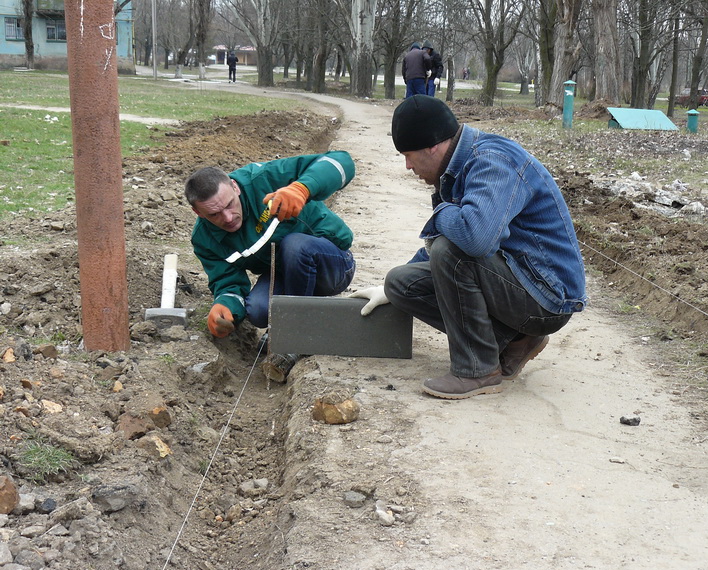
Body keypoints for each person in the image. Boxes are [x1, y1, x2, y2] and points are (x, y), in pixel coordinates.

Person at [352, 96, 587, 399]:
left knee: (452, 251)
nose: (408, 166)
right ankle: (516, 339)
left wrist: (440, 212)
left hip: (549, 298)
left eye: (408, 156)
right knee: (401, 283)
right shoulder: (457, 165)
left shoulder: (492, 162)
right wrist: (390, 287)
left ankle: (476, 369)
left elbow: (473, 238)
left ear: (431, 146)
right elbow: (453, 240)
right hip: (520, 279)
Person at [185, 152, 356, 381]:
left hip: (333, 265)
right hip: (287, 272)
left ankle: (294, 336)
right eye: (214, 214)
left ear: (235, 187)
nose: (227, 218)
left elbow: (340, 161)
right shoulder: (205, 239)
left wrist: (301, 189)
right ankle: (295, 319)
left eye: (229, 205)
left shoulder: (263, 179)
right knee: (257, 310)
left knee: (295, 244)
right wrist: (224, 306)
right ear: (197, 212)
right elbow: (228, 281)